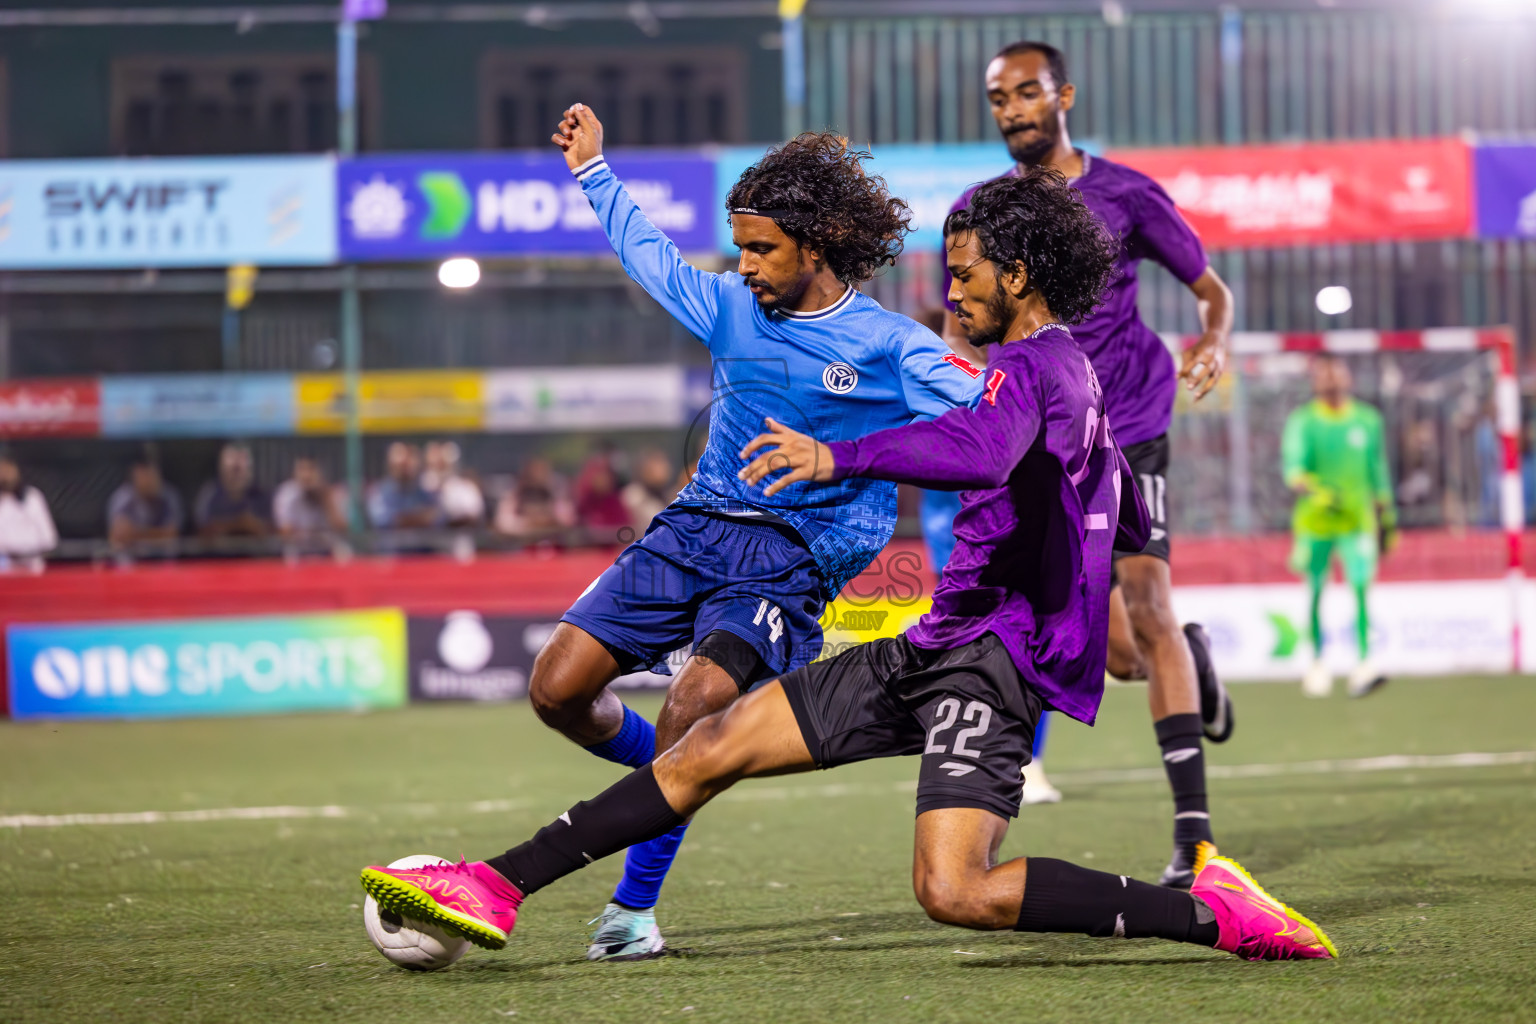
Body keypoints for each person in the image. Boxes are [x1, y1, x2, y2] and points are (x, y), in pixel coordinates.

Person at [361, 171, 1336, 966]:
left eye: (967, 275)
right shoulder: (1046, 368)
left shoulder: (1042, 370)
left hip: (993, 668)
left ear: (1022, 271)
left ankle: (1212, 913)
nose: (952, 294)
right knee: (711, 742)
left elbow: (984, 454)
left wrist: (841, 456)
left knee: (955, 891)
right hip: (938, 644)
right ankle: (491, 882)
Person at [534, 103, 980, 959]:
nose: (743, 265)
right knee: (556, 690)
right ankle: (669, 775)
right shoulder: (729, 307)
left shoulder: (889, 345)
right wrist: (593, 170)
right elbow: (650, 256)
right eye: (739, 245)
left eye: (761, 248)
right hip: (692, 527)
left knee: (695, 701)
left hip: (791, 557)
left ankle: (631, 914)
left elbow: (985, 418)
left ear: (815, 246)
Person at [945, 40, 1236, 888]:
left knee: (1147, 602)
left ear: (1062, 95)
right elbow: (962, 325)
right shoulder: (978, 211)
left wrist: (1213, 339)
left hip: (1132, 423)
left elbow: (1210, 290)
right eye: (999, 97)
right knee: (1116, 651)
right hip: (1047, 442)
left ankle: (1196, 842)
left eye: (1027, 92)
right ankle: (1192, 655)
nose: (1012, 109)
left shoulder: (1126, 196)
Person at [914, 306, 1060, 805]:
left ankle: (1031, 764)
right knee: (971, 661)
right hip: (954, 556)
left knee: (1029, 652)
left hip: (1010, 544)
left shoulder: (995, 384)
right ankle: (978, 757)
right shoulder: (919, 396)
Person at [1282, 354, 1396, 699]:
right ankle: (1317, 663)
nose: (1332, 380)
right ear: (1315, 381)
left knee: (1361, 587)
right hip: (1316, 522)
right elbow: (1293, 470)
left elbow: (1379, 470)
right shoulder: (1303, 422)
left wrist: (1387, 515)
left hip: (1356, 520)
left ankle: (1365, 664)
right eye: (1324, 374)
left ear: (1348, 377)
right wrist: (1317, 490)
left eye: (1337, 372)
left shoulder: (1367, 420)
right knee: (1316, 590)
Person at [194, 443, 272, 541]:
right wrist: (239, 524)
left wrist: (254, 526)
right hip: (218, 554)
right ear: (221, 468)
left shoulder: (260, 494)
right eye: (233, 469)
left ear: (250, 468)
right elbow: (202, 534)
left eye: (240, 469)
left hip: (254, 554)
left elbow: (271, 533)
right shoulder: (210, 494)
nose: (236, 474)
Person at [494, 456, 575, 540]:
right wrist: (529, 523)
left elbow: (567, 521)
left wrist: (548, 521)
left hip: (553, 544)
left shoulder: (554, 495)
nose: (539, 476)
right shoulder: (514, 497)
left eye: (543, 472)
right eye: (535, 473)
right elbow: (503, 524)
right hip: (520, 545)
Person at [107, 460, 183, 549]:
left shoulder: (168, 495)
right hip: (131, 557)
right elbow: (120, 536)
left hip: (163, 556)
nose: (147, 480)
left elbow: (171, 535)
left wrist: (136, 533)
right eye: (142, 475)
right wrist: (156, 534)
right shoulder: (123, 497)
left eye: (150, 475)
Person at [0, 454, 57, 572]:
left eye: (9, 469)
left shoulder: (32, 497)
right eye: (2, 469)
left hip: (32, 565)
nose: (5, 474)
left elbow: (49, 539)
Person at [366, 442, 441, 531]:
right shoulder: (379, 492)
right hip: (391, 544)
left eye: (409, 462)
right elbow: (383, 520)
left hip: (425, 544)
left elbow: (438, 518)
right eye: (402, 465)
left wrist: (406, 519)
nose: (406, 467)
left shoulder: (425, 492)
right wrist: (418, 518)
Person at [272, 457, 347, 540]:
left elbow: (342, 530)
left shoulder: (332, 493)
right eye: (302, 469)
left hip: (327, 546)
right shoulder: (287, 493)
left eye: (311, 469)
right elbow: (285, 533)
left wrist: (325, 500)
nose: (306, 475)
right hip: (299, 547)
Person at [422, 441, 485, 528]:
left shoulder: (465, 488)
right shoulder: (422, 486)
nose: (438, 466)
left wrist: (448, 521)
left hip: (458, 536)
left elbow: (473, 515)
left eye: (442, 464)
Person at [620, 448, 677, 533]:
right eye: (657, 464)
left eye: (663, 464)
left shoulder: (674, 495)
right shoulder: (632, 496)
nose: (663, 469)